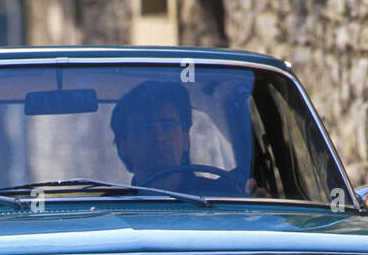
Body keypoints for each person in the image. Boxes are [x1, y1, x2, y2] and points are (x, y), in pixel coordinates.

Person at [109, 80, 268, 196]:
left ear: (186, 139)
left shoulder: (228, 196)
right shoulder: (108, 212)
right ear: (124, 147)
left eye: (168, 126)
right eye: (145, 129)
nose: (159, 137)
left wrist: (259, 209)